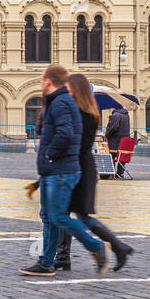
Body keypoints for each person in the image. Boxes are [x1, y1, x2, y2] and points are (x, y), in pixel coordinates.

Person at [19, 64, 109, 277]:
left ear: (48, 81)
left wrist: (50, 155)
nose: (41, 82)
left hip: (60, 170)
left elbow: (65, 134)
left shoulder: (60, 102)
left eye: (42, 79)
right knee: (49, 217)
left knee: (58, 216)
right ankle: (46, 262)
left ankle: (96, 247)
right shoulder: (58, 102)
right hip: (55, 170)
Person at [52, 73, 133, 272]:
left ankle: (118, 247)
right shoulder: (88, 112)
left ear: (76, 90)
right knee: (67, 213)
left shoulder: (81, 114)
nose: (67, 92)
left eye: (69, 89)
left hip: (78, 166)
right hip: (80, 165)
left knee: (78, 215)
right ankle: (63, 256)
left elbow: (73, 141)